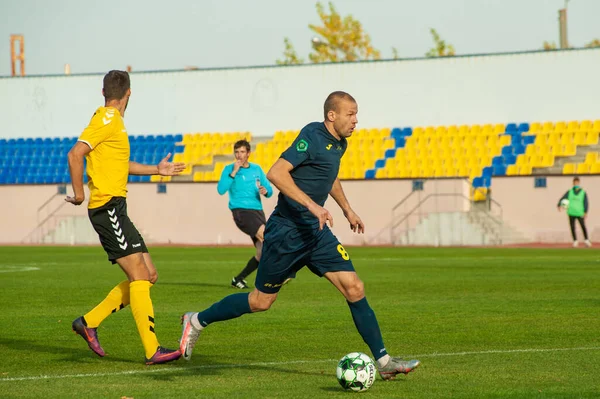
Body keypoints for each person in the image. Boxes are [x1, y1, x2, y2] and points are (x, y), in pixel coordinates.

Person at [179, 91, 420, 380]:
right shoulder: (312, 135)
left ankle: (383, 362)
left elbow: (328, 176)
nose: (356, 120)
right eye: (350, 114)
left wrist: (347, 209)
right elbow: (276, 173)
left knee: (354, 287)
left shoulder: (339, 144)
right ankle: (196, 320)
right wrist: (312, 205)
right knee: (260, 302)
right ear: (332, 115)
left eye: (356, 114)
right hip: (286, 232)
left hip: (316, 234)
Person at [66, 70, 185, 365]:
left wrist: (157, 169)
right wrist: (79, 194)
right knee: (140, 277)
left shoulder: (113, 123)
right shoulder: (106, 119)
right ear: (128, 94)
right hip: (107, 208)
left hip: (117, 208)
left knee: (149, 275)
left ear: (103, 91)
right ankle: (151, 349)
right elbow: (75, 154)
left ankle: (89, 322)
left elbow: (122, 164)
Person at [217, 140, 273, 289]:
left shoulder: (256, 169)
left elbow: (269, 189)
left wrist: (266, 191)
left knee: (261, 252)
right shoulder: (229, 169)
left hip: (258, 212)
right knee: (269, 238)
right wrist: (234, 172)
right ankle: (280, 274)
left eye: (242, 152)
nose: (239, 155)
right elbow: (221, 189)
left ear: (248, 153)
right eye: (236, 152)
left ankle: (238, 279)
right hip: (241, 211)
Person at [557, 176, 591, 248]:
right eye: (574, 183)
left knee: (583, 226)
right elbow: (563, 198)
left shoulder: (583, 192)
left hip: (580, 212)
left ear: (579, 183)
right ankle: (575, 241)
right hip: (571, 212)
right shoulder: (569, 192)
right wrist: (559, 205)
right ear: (573, 183)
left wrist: (585, 211)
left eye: (577, 183)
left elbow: (586, 202)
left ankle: (586, 240)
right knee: (572, 227)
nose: (576, 184)